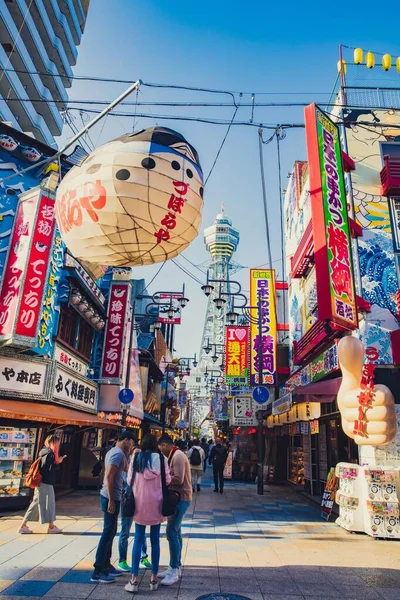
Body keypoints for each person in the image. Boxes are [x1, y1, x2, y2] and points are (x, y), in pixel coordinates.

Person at [125, 434, 171, 593]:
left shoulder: (136, 457)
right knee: (155, 541)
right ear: (156, 445)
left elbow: (129, 479)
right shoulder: (162, 459)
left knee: (138, 539)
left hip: (139, 503)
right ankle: (153, 578)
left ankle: (134, 580)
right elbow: (168, 480)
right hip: (157, 503)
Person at [91, 430, 136, 584]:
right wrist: (111, 499)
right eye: (131, 443)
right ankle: (98, 570)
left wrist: (129, 455)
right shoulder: (117, 454)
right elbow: (109, 476)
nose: (132, 446)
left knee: (111, 531)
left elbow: (126, 470)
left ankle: (106, 565)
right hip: (110, 497)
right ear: (126, 440)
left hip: (113, 496)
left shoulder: (116, 452)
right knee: (108, 532)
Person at [158, 434, 192, 587]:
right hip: (180, 498)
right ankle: (175, 566)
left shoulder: (177, 456)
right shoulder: (175, 455)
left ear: (164, 445)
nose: (160, 451)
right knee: (176, 532)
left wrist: (163, 477)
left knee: (171, 532)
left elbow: (178, 478)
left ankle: (174, 569)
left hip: (181, 498)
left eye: (160, 447)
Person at [18, 435, 66, 534]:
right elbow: (47, 469)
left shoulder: (44, 452)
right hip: (45, 483)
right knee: (49, 503)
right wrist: (58, 462)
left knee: (36, 504)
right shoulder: (50, 454)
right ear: (53, 443)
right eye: (57, 443)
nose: (58, 445)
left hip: (41, 483)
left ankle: (23, 526)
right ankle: (51, 527)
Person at [118, 438, 152, 573]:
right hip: (128, 502)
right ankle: (122, 560)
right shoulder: (127, 469)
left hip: (141, 502)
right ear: (131, 455)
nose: (137, 456)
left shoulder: (144, 469)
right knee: (125, 531)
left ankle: (144, 557)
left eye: (140, 453)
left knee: (141, 532)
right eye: (135, 454)